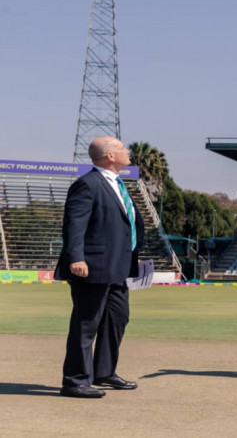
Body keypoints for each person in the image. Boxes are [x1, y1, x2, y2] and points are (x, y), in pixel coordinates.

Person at [55, 136, 144, 398]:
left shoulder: (118, 184)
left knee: (117, 318)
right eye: (122, 148)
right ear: (110, 156)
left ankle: (103, 372)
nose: (127, 151)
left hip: (118, 266)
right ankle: (74, 381)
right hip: (92, 266)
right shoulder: (87, 184)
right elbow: (74, 224)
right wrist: (76, 258)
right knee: (86, 325)